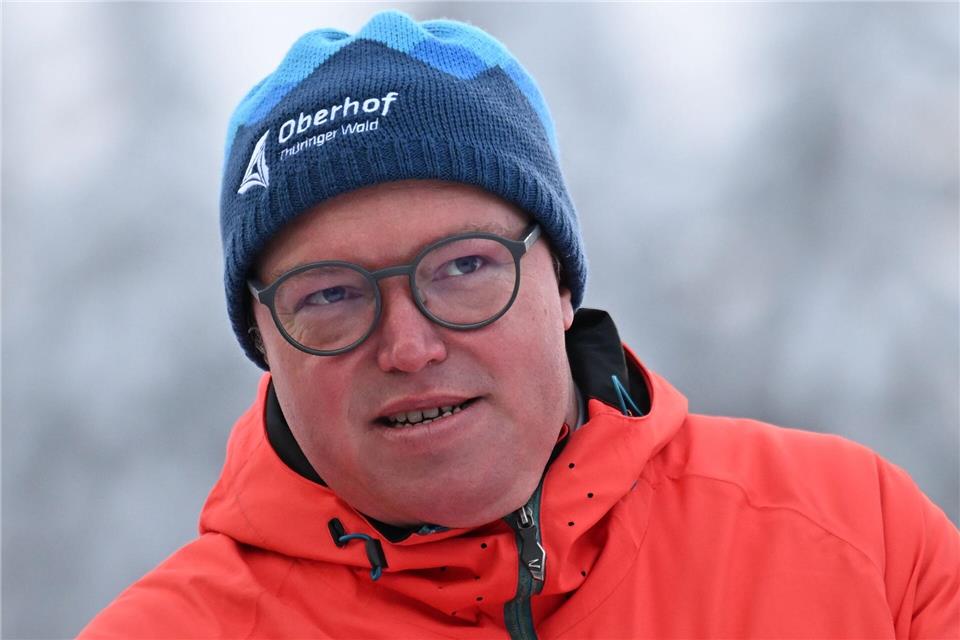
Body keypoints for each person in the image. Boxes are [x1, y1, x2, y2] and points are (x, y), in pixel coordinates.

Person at [81, 10, 959, 639]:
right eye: (331, 296)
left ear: (562, 283)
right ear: (264, 342)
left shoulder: (855, 540)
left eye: (464, 268)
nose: (411, 345)